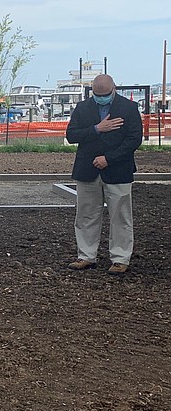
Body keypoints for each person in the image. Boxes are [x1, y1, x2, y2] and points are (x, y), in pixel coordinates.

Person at [65, 74, 142, 275]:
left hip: (118, 171)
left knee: (121, 216)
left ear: (113, 89)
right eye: (97, 95)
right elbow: (71, 135)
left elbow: (134, 140)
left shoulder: (129, 108)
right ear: (92, 91)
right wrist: (96, 129)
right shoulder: (82, 108)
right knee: (86, 215)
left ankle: (120, 258)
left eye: (105, 94)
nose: (101, 98)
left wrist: (109, 158)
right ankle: (86, 256)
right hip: (87, 171)